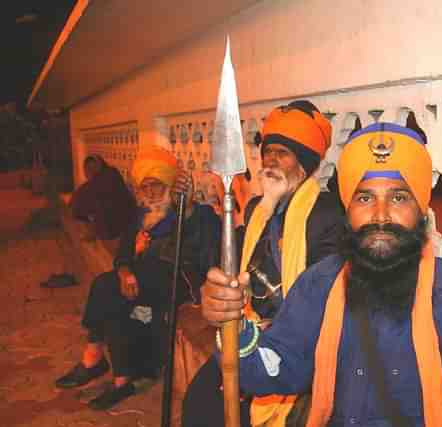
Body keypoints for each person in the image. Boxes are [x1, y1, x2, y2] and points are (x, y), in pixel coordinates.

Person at [195, 123, 442, 426]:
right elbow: (273, 367)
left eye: (398, 197)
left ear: (420, 212)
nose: (379, 215)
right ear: (348, 210)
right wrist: (233, 328)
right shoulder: (320, 285)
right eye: (364, 197)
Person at [182, 100, 344, 427]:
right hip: (246, 327)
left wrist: (271, 331)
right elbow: (229, 266)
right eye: (267, 152)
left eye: (282, 153)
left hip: (298, 342)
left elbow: (323, 298)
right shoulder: (258, 208)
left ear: (304, 163)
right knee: (199, 400)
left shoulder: (328, 214)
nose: (270, 160)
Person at [54, 146, 221, 410]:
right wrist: (125, 270)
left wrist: (185, 211)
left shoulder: (196, 215)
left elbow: (208, 253)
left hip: (176, 283)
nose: (151, 193)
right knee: (114, 299)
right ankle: (122, 380)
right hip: (140, 281)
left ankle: (93, 358)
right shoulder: (140, 217)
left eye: (157, 185)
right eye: (145, 187)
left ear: (169, 184)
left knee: (103, 286)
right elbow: (121, 255)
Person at [41, 155, 136, 288]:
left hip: (117, 230)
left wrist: (92, 227)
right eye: (87, 169)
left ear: (99, 167)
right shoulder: (105, 178)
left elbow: (78, 206)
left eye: (91, 168)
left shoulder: (107, 178)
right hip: (118, 228)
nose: (89, 172)